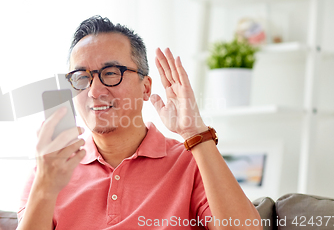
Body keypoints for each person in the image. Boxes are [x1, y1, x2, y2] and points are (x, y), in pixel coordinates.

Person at [17, 16, 262, 229]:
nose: (94, 91)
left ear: (145, 88)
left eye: (111, 73)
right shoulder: (50, 169)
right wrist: (45, 188)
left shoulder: (191, 161)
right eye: (81, 77)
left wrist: (194, 131)